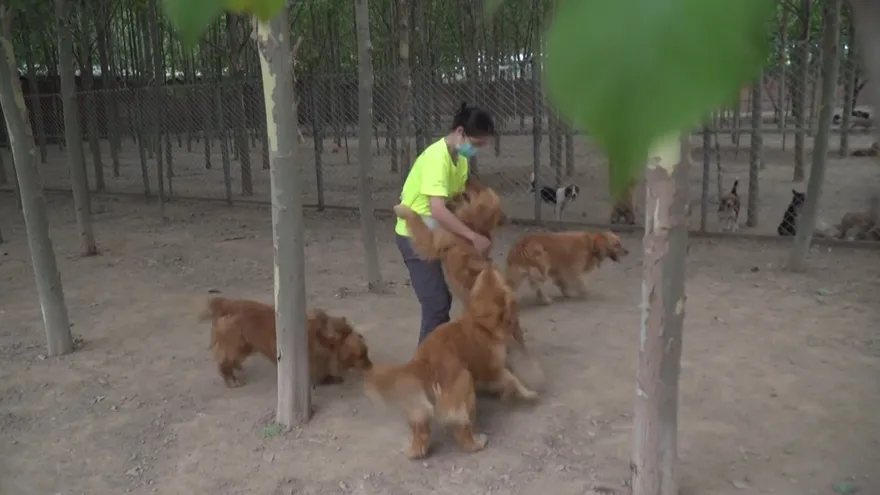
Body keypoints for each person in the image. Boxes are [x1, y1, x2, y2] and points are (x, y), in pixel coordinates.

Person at [395, 102, 496, 344]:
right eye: (476, 144)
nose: (476, 150)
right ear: (460, 132)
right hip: (415, 234)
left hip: (440, 233)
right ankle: (427, 360)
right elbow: (438, 210)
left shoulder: (459, 159)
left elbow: (455, 201)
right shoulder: (436, 158)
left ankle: (442, 353)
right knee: (436, 303)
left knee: (447, 300)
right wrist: (473, 237)